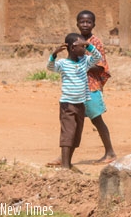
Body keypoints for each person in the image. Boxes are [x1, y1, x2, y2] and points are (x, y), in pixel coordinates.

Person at [47, 10, 116, 168]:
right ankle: (65, 157)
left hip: (90, 87)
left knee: (97, 119)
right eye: (82, 22)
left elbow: (100, 65)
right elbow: (63, 63)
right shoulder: (74, 40)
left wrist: (82, 64)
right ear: (77, 23)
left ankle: (110, 152)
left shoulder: (94, 43)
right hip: (76, 90)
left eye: (88, 22)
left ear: (94, 24)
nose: (85, 24)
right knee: (72, 124)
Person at [47, 32, 102, 169]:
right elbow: (50, 67)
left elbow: (98, 57)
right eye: (81, 46)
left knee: (76, 134)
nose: (84, 49)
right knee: (68, 133)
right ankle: (65, 167)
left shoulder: (85, 61)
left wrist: (89, 46)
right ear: (72, 48)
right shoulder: (63, 64)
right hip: (67, 105)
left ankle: (68, 163)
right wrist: (54, 54)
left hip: (80, 104)